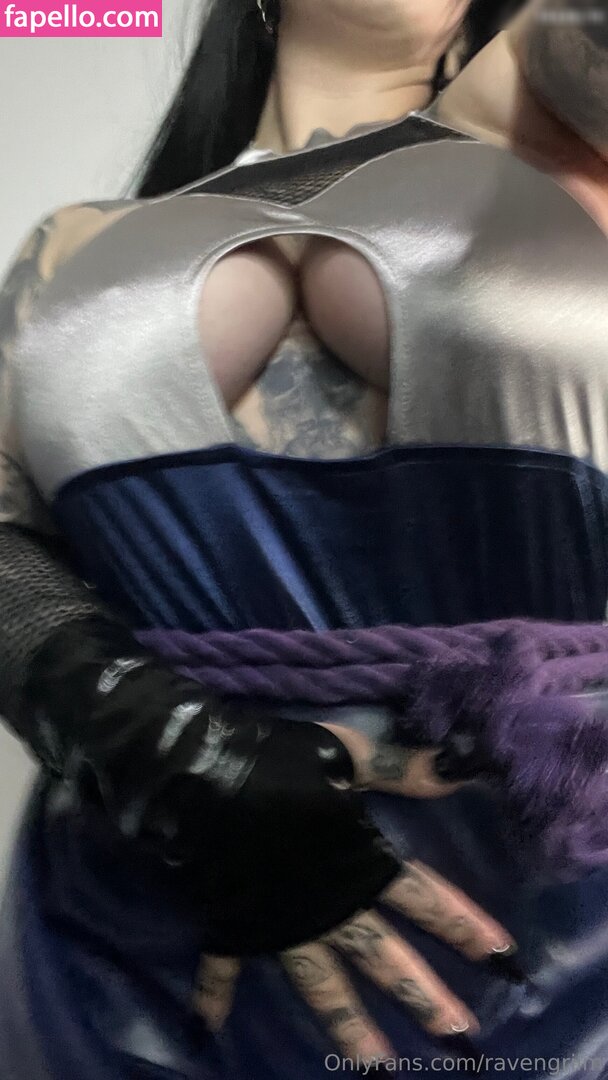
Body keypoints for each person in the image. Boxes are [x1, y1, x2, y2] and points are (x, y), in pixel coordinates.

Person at [0, 0, 607, 1076]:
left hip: (548, 938)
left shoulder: (559, 113)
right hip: (134, 946)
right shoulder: (74, 244)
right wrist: (156, 740)